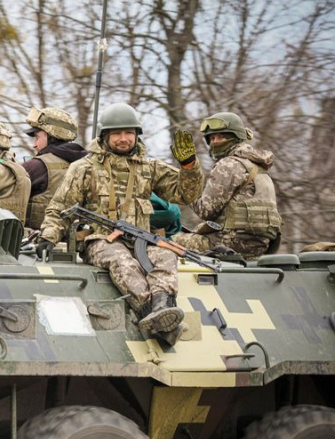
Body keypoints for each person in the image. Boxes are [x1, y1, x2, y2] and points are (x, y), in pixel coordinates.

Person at [36, 103, 204, 345]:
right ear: (105, 136)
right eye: (117, 133)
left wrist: (189, 166)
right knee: (121, 261)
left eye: (129, 133)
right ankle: (150, 313)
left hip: (141, 239)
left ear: (136, 136)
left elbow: (185, 194)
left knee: (166, 256)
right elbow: (60, 207)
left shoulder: (149, 167)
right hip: (101, 240)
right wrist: (48, 237)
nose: (124, 139)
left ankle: (163, 306)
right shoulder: (84, 168)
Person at [173, 112, 282, 259]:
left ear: (235, 138)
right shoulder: (259, 168)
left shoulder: (228, 164)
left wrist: (188, 186)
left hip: (229, 244)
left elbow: (206, 211)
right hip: (261, 246)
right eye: (212, 138)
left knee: (169, 241)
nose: (215, 142)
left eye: (222, 137)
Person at [21, 107, 88, 229]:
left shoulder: (36, 166)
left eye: (37, 137)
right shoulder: (86, 164)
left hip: (38, 242)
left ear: (52, 135)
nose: (34, 144)